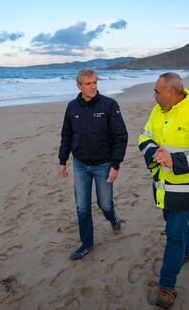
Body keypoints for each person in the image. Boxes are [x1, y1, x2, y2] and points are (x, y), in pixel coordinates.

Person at [138, 72, 189, 309]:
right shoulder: (158, 111)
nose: (153, 95)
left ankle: (167, 287)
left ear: (172, 92)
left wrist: (173, 160)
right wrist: (152, 152)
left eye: (157, 91)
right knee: (174, 223)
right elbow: (144, 136)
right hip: (163, 186)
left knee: (173, 233)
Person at [58, 69, 128, 260]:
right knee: (82, 207)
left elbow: (121, 136)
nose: (93, 87)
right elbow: (66, 135)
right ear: (79, 86)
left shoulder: (109, 105)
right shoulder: (72, 107)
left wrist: (115, 165)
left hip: (104, 165)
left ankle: (113, 217)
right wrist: (62, 160)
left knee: (104, 204)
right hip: (80, 165)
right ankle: (87, 244)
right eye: (88, 84)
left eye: (95, 82)